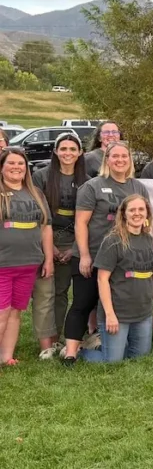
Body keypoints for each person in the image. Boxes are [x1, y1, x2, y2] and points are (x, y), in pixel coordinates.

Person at [62, 142, 150, 364]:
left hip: (123, 259)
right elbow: (81, 223)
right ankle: (70, 352)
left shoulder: (138, 187)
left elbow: (144, 220)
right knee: (83, 302)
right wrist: (84, 255)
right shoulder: (92, 186)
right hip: (92, 253)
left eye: (124, 156)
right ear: (107, 160)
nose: (120, 160)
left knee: (111, 301)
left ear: (130, 160)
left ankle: (99, 339)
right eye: (115, 156)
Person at [84, 194, 153, 363]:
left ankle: (115, 344)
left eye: (141, 209)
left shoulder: (148, 239)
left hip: (143, 313)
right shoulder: (113, 241)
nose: (137, 213)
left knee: (140, 358)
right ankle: (82, 350)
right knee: (113, 362)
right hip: (118, 313)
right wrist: (110, 314)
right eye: (132, 210)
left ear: (147, 213)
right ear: (124, 214)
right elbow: (102, 280)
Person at [31, 132, 88, 359]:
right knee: (46, 292)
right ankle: (48, 339)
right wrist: (50, 248)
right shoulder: (41, 177)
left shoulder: (87, 180)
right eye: (63, 149)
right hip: (45, 238)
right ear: (55, 151)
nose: (67, 153)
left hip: (75, 242)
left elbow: (88, 219)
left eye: (72, 149)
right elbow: (36, 213)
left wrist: (74, 248)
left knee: (62, 291)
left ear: (80, 152)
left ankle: (61, 335)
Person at [0, 148, 53, 366]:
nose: (16, 167)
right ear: (2, 167)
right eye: (11, 163)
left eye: (20, 163)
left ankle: (6, 357)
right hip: (3, 264)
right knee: (1, 312)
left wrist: (48, 259)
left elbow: (46, 227)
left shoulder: (35, 193)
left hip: (29, 263)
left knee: (15, 312)